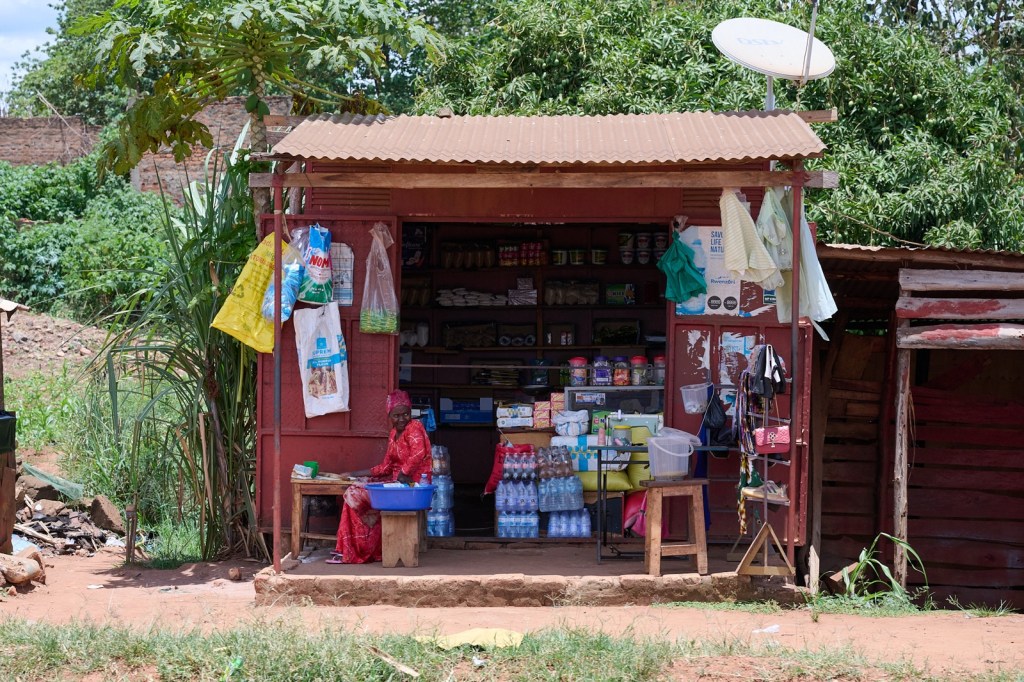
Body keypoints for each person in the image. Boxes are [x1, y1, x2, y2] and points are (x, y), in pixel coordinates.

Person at [327, 390, 432, 564]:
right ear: (389, 416)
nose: (402, 419)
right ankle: (352, 548)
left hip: (413, 487)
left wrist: (404, 473)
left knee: (354, 494)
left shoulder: (414, 427)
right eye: (396, 416)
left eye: (406, 414)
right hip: (398, 484)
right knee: (354, 489)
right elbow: (385, 467)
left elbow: (418, 453)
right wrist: (354, 474)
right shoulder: (393, 434)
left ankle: (358, 550)